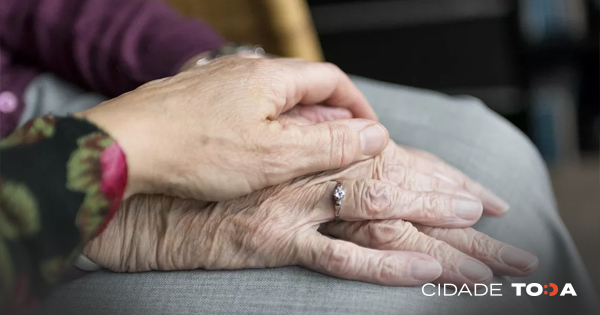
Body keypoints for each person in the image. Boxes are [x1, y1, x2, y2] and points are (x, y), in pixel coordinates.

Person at [0, 1, 597, 315]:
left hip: (57, 97)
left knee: (491, 153)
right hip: (25, 224)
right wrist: (124, 206)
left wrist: (213, 74)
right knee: (422, 299)